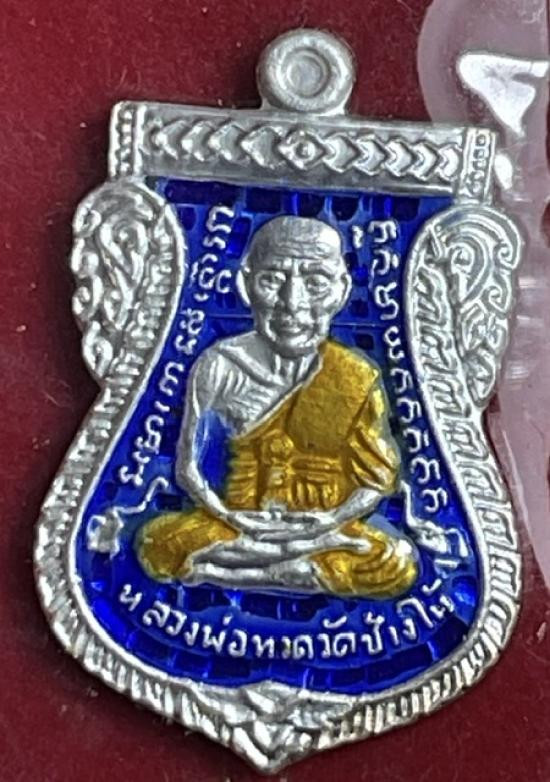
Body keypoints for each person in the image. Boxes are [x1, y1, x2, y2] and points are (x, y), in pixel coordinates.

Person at [137, 216, 418, 597]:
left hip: (320, 526)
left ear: (341, 290)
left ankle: (234, 571)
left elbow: (374, 482)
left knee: (395, 561)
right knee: (157, 542)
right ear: (246, 284)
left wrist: (327, 522)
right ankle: (293, 568)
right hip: (237, 524)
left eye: (315, 283)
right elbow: (188, 469)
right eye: (272, 280)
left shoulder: (354, 375)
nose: (292, 303)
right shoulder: (220, 365)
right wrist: (231, 516)